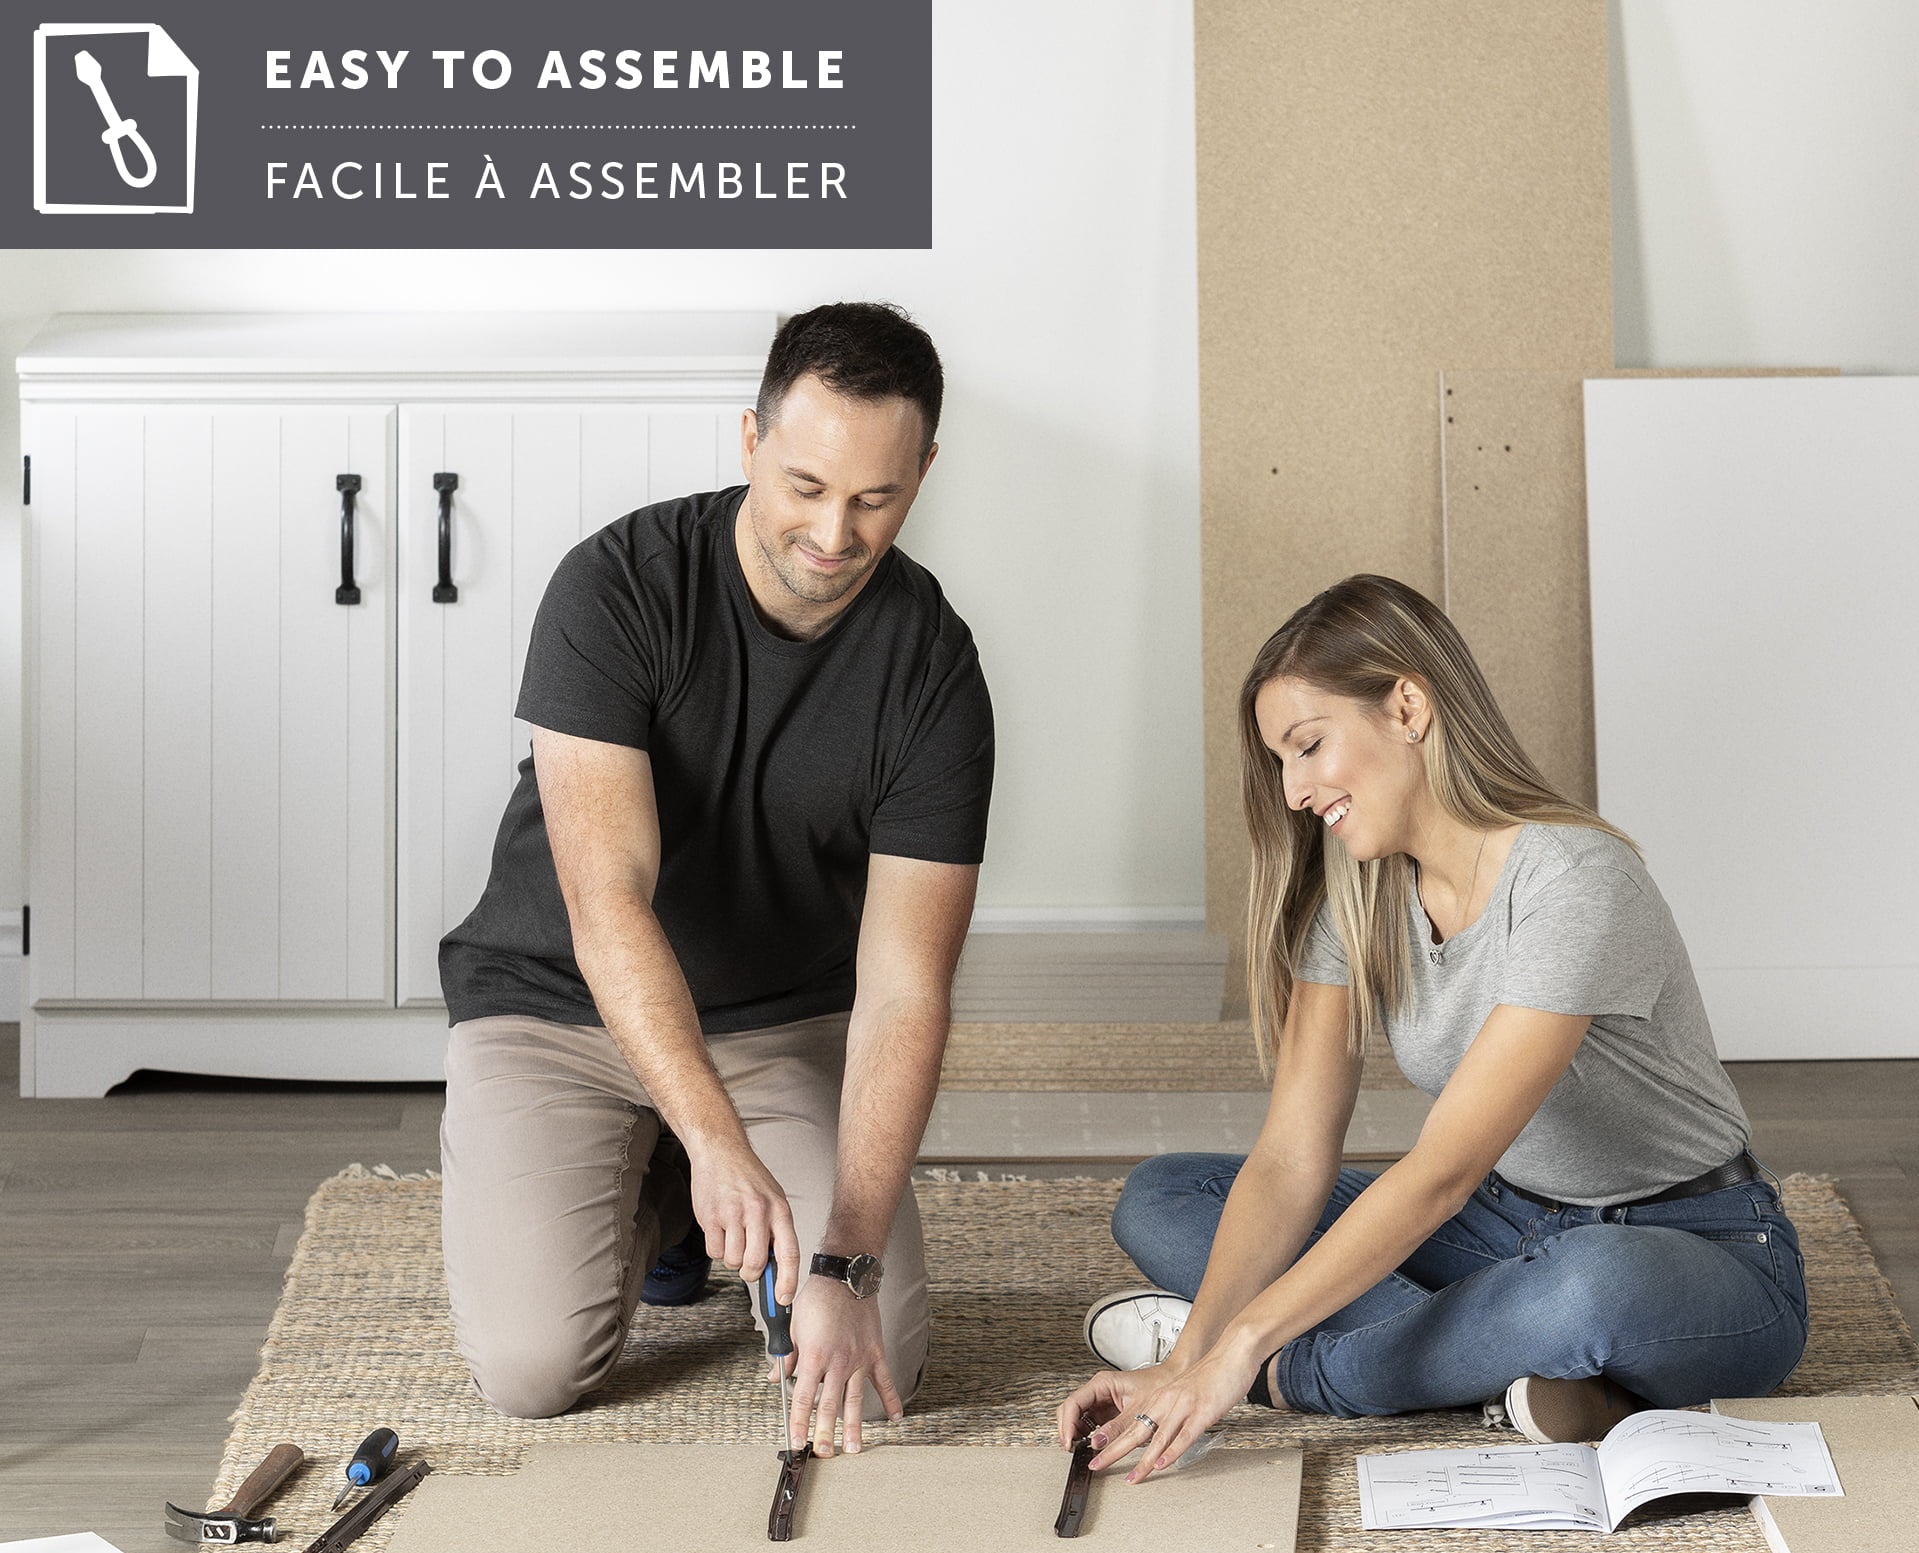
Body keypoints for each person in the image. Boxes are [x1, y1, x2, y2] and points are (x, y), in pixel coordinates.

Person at [1059, 574, 1806, 1481]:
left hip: (1699, 1248)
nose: (1295, 791)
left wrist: (1234, 1355)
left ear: (1407, 705)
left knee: (1588, 1287)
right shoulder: (1358, 899)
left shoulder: (1573, 881)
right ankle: (1520, 1371)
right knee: (1167, 1199)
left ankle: (1312, 1377)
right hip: (1505, 1225)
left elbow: (1442, 1173)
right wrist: (1187, 1362)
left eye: (1308, 747)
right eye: (1280, 763)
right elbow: (1293, 1157)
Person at [437, 303, 994, 1459]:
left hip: (776, 1024)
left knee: (877, 1342)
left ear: (924, 471)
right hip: (555, 1003)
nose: (834, 532)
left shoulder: (933, 666)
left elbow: (902, 992)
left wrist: (842, 1255)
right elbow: (607, 905)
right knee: (533, 1370)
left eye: (875, 498)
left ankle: (698, 1177)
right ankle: (672, 1180)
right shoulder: (615, 588)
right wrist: (718, 1139)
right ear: (749, 440)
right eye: (804, 484)